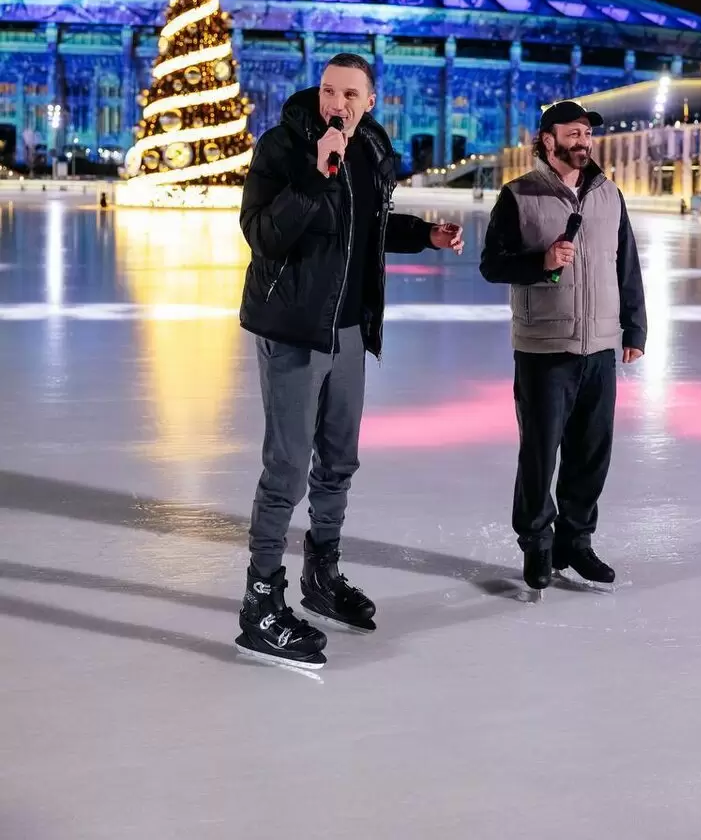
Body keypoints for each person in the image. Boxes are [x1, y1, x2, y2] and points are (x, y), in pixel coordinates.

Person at [236, 53, 464, 669]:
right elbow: (263, 234)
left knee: (338, 460)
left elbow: (369, 226)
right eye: (328, 91)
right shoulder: (283, 147)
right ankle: (260, 603)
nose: (337, 103)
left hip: (348, 332)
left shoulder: (370, 150)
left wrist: (424, 234)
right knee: (287, 468)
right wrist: (314, 175)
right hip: (293, 329)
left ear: (370, 101)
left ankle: (321, 575)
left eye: (350, 94)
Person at [480, 101, 646, 591]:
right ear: (548, 139)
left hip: (599, 346)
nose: (583, 142)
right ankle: (537, 543)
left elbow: (626, 263)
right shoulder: (519, 195)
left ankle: (576, 541)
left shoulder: (609, 194)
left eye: (587, 134)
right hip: (544, 347)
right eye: (573, 133)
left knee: (591, 452)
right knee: (539, 452)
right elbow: (492, 265)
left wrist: (634, 328)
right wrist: (542, 261)